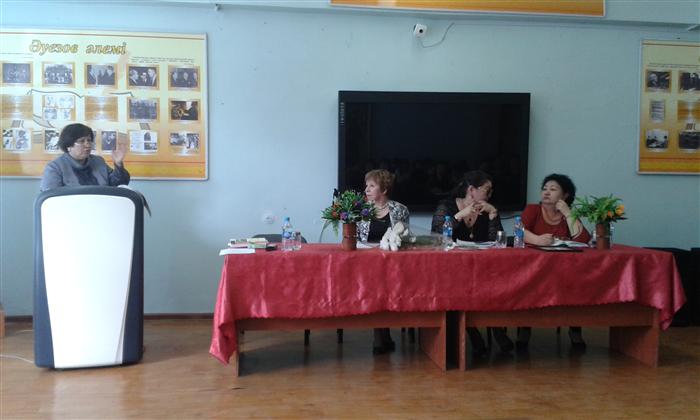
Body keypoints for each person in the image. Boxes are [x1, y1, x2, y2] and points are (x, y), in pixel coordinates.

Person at [431, 170, 514, 357]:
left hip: (481, 267)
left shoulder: (488, 208)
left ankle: (495, 328)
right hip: (452, 268)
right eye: (486, 190)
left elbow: (496, 243)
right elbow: (436, 236)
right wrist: (459, 216)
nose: (490, 194)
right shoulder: (447, 206)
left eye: (491, 191)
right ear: (471, 190)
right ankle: (474, 332)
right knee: (460, 288)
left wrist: (493, 214)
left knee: (496, 284)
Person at [517, 173, 591, 350]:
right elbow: (518, 230)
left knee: (576, 285)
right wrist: (537, 240)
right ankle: (524, 328)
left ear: (565, 195)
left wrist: (567, 213)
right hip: (535, 269)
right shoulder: (533, 209)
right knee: (527, 286)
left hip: (564, 270)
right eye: (544, 189)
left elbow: (583, 239)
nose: (546, 192)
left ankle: (574, 329)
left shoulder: (568, 213)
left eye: (553, 189)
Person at [358, 169, 409, 355]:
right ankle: (380, 335)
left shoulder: (400, 209)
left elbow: (405, 237)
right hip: (365, 264)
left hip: (393, 264)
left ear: (384, 189)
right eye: (366, 185)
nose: (367, 189)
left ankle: (382, 334)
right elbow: (354, 238)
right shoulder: (360, 209)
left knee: (383, 287)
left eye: (372, 186)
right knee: (375, 287)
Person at [40, 123, 129, 191]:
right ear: (68, 146)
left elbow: (119, 184)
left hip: (101, 206)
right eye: (82, 141)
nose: (88, 145)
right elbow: (51, 198)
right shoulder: (55, 168)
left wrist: (118, 164)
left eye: (89, 140)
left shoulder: (98, 161)